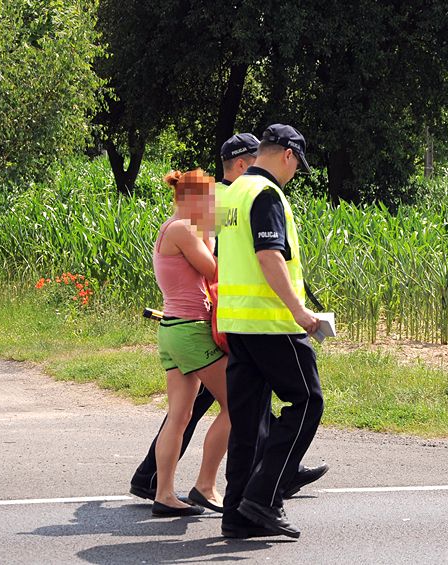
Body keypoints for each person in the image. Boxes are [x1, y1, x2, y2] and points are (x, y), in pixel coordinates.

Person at [130, 134, 327, 508]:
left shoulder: (202, 212)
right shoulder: (214, 212)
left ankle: (156, 484)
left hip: (183, 325)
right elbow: (219, 266)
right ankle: (213, 483)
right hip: (203, 326)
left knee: (188, 411)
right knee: (241, 408)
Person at [217, 124, 325, 539]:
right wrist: (300, 311)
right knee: (307, 402)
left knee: (248, 424)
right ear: (287, 155)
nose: (295, 172)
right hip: (270, 323)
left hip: (236, 323)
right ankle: (264, 496)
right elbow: (268, 256)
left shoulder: (229, 195)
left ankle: (238, 515)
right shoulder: (266, 194)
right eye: (298, 164)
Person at [145, 169, 229, 517]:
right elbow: (214, 270)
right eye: (209, 200)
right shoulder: (182, 230)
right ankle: (205, 486)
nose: (213, 206)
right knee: (238, 405)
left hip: (172, 329)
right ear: (192, 200)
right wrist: (211, 231)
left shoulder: (174, 228)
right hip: (191, 330)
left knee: (179, 417)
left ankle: (164, 494)